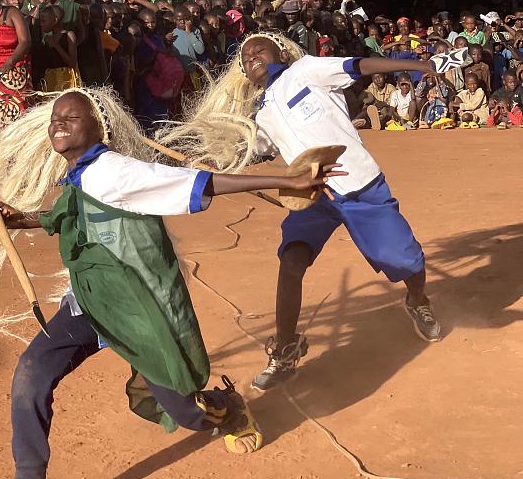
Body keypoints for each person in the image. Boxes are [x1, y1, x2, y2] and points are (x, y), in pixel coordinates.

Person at [0, 87, 342, 479]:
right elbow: (68, 213)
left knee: (188, 413)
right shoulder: (78, 175)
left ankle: (229, 408)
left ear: (99, 129)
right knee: (30, 377)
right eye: (56, 118)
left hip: (139, 313)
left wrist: (287, 180)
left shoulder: (118, 171)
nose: (59, 124)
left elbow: (200, 183)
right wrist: (21, 220)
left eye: (72, 118)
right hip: (88, 306)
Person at [160, 32, 460, 392]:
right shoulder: (261, 113)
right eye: (245, 57)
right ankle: (285, 350)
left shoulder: (307, 69)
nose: (251, 56)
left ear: (281, 52)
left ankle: (417, 299)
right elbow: (255, 150)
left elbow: (358, 65)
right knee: (291, 260)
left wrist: (419, 65)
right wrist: (213, 161)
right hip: (313, 196)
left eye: (259, 49)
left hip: (359, 186)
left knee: (405, 260)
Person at [32, 5, 78, 91]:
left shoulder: (69, 35)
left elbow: (72, 62)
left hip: (66, 79)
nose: (41, 24)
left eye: (43, 21)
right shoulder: (47, 39)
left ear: (55, 21)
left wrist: (56, 45)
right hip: (51, 80)